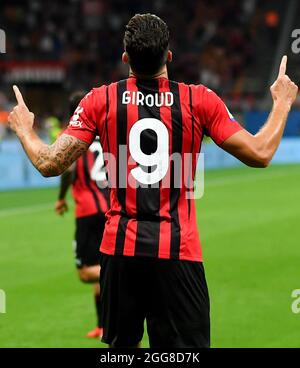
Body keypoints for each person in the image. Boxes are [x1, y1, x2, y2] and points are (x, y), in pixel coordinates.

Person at [8, 14, 298, 348]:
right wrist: (282, 103)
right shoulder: (199, 100)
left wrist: (24, 128)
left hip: (119, 253)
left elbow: (48, 162)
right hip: (177, 253)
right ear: (169, 56)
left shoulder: (99, 100)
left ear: (125, 57)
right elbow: (260, 153)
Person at [54, 91, 110, 339]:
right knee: (101, 270)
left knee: (87, 272)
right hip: (111, 209)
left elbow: (68, 169)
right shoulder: (107, 133)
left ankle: (128, 271)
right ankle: (103, 325)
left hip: (88, 212)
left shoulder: (75, 133)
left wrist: (60, 197)